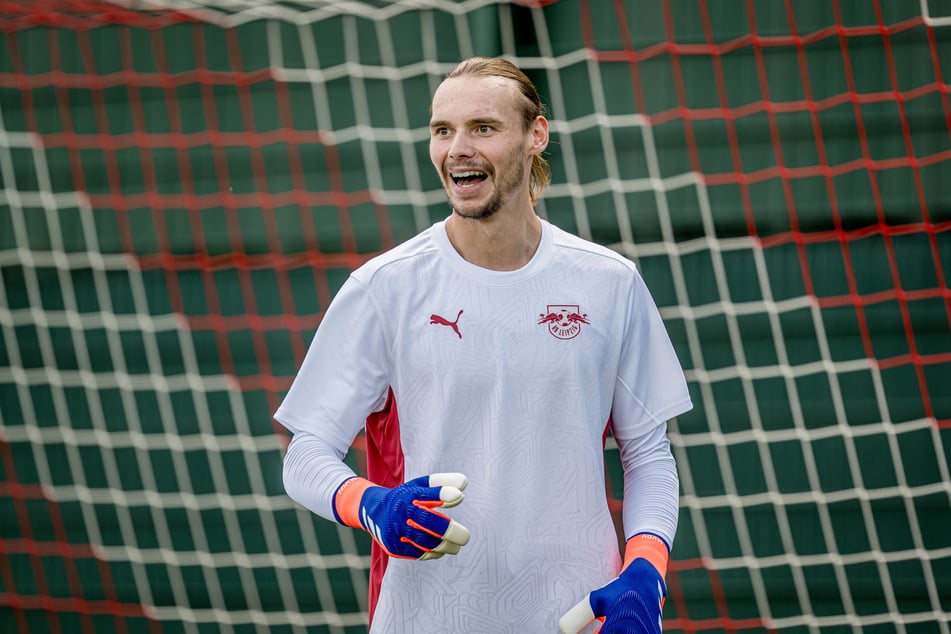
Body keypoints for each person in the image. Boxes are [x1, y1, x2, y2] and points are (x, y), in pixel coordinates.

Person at [276, 56, 693, 633]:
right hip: (425, 619)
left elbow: (648, 456)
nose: (457, 148)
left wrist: (646, 571)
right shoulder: (385, 288)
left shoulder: (609, 282)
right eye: (442, 131)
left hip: (576, 617)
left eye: (483, 128)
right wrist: (372, 506)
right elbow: (304, 456)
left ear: (535, 136)